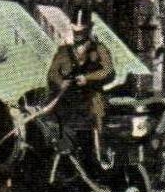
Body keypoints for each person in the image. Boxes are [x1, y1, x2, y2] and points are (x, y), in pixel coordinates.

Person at [46, 9, 115, 164]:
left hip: (90, 97)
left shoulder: (99, 49)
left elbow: (108, 71)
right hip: (66, 98)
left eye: (81, 31)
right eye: (75, 30)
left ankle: (100, 155)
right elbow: (52, 73)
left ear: (89, 28)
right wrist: (61, 82)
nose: (77, 34)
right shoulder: (63, 51)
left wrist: (88, 78)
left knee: (97, 112)